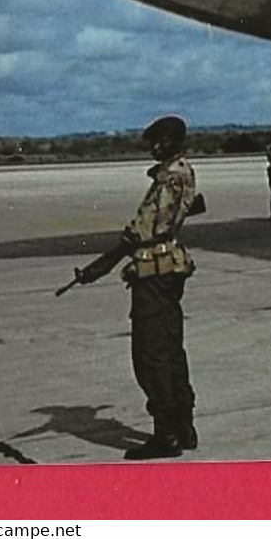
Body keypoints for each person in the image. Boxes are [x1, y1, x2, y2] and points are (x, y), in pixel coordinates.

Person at [122, 115, 200, 460]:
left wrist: (125, 242)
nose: (153, 149)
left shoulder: (169, 177)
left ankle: (165, 434)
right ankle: (183, 426)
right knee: (170, 348)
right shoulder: (182, 171)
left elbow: (147, 227)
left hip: (154, 271)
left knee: (150, 353)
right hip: (168, 267)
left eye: (159, 142)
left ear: (172, 142)